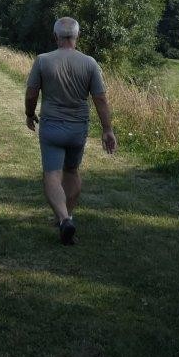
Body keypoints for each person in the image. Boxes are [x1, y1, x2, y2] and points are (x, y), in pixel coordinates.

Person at [25, 17, 117, 245]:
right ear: (76, 37)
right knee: (72, 172)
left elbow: (31, 93)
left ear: (56, 36)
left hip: (52, 127)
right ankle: (67, 217)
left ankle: (64, 218)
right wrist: (107, 129)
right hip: (78, 129)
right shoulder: (90, 63)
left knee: (52, 176)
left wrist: (29, 114)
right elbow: (101, 99)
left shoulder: (43, 61)